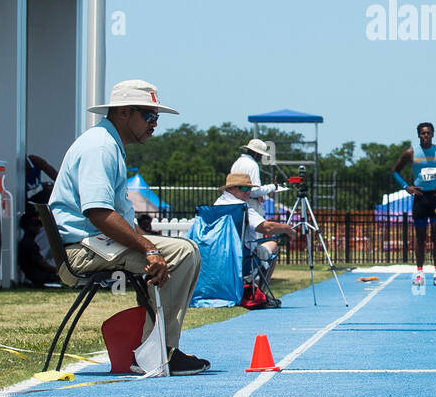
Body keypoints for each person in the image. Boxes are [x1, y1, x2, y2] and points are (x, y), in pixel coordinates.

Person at [49, 80, 208, 375]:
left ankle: (153, 346)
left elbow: (116, 212)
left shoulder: (107, 143)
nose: (155, 124)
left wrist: (148, 243)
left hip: (94, 243)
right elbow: (98, 212)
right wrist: (149, 248)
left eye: (156, 117)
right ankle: (158, 352)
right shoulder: (100, 147)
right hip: (82, 249)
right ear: (124, 112)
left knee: (183, 250)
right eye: (149, 116)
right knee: (183, 253)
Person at [391, 122, 436, 286]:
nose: (426, 136)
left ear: (433, 134)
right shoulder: (411, 153)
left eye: (428, 133)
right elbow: (395, 170)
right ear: (418, 135)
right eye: (423, 133)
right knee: (420, 238)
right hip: (420, 199)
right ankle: (420, 273)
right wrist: (406, 187)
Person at [212, 172, 299, 293]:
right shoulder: (240, 206)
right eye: (243, 188)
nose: (248, 192)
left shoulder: (216, 205)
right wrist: (287, 229)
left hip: (216, 259)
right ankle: (262, 292)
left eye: (250, 188)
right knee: (273, 245)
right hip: (242, 260)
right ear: (231, 188)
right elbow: (267, 228)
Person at [229, 139, 280, 228]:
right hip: (250, 204)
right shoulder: (252, 165)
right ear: (256, 153)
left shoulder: (237, 163)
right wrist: (272, 187)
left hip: (235, 204)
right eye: (260, 155)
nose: (260, 158)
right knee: (254, 236)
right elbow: (254, 191)